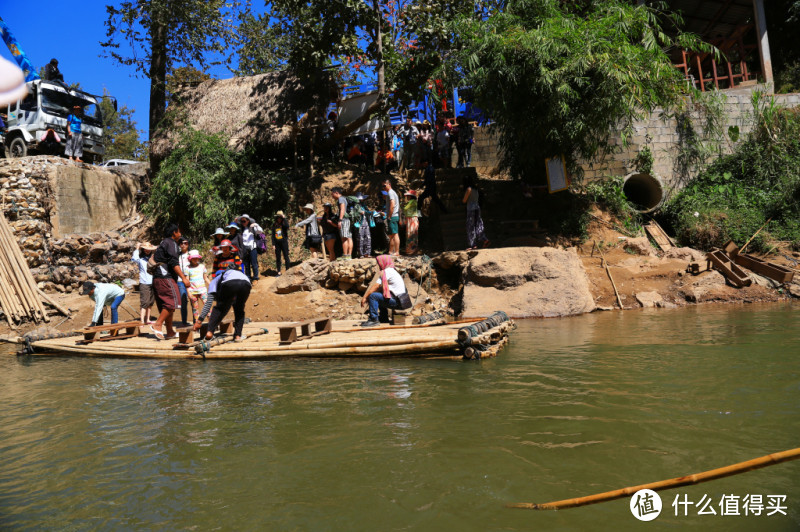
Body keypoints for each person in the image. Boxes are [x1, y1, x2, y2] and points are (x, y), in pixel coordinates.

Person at [150, 223, 191, 340]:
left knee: (166, 304)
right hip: (165, 277)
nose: (180, 233)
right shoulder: (171, 243)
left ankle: (169, 331)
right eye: (178, 231)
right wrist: (183, 278)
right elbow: (174, 263)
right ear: (174, 232)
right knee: (172, 302)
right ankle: (157, 325)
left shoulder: (164, 242)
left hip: (158, 278)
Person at [193, 264, 252, 343]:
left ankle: (209, 332)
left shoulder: (215, 280)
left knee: (218, 309)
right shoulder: (238, 274)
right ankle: (238, 336)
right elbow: (228, 302)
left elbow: (208, 303)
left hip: (230, 284)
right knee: (239, 309)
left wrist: (199, 321)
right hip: (247, 284)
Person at [359, 255, 408, 327]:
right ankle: (383, 317)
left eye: (378, 263)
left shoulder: (387, 272)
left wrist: (365, 297)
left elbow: (376, 286)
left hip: (398, 301)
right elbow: (379, 288)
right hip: (401, 301)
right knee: (380, 294)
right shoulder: (392, 271)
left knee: (373, 296)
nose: (378, 265)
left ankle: (373, 320)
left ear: (383, 263)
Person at [131, 242, 157, 324]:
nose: (147, 251)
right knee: (144, 302)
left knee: (150, 302)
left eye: (149, 249)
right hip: (144, 282)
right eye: (145, 249)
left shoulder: (153, 258)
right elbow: (134, 259)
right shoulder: (140, 259)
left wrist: (154, 247)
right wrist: (137, 249)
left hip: (153, 281)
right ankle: (142, 320)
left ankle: (147, 319)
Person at [463, 176, 490, 250]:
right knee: (478, 225)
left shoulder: (469, 189)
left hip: (471, 209)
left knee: (470, 227)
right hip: (477, 209)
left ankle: (473, 245)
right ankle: (484, 239)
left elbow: (464, 200)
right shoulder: (476, 190)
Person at [185, 249, 209, 322]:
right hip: (193, 291)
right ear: (190, 259)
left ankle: (211, 322)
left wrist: (212, 285)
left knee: (207, 306)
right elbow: (187, 281)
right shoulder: (187, 268)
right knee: (195, 309)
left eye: (196, 258)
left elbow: (206, 278)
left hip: (203, 291)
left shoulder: (202, 267)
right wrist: (188, 292)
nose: (195, 260)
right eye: (193, 258)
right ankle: (197, 324)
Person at [238, 214, 262, 283]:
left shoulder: (253, 228)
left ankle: (255, 278)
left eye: (244, 221)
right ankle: (248, 277)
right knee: (246, 264)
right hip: (245, 248)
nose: (243, 222)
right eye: (242, 221)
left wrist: (256, 225)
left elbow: (260, 231)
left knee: (254, 263)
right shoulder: (242, 230)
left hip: (252, 248)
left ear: (248, 221)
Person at [332, 187, 353, 260]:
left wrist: (340, 220)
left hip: (344, 220)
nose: (332, 196)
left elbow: (342, 209)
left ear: (336, 193)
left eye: (332, 194)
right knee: (349, 238)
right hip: (348, 220)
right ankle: (349, 255)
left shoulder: (341, 199)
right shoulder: (344, 198)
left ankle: (345, 255)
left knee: (344, 238)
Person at [381, 178, 401, 256]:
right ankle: (390, 251)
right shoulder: (391, 193)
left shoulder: (390, 193)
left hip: (392, 216)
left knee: (395, 234)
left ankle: (397, 252)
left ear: (389, 184)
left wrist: (389, 216)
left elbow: (392, 204)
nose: (383, 187)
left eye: (384, 185)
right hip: (392, 216)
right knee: (391, 235)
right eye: (382, 186)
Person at [351, 192, 372, 258]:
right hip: (359, 224)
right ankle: (361, 254)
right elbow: (352, 214)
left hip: (366, 223)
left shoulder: (363, 205)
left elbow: (367, 211)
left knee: (368, 238)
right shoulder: (354, 206)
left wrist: (370, 212)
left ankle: (367, 253)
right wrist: (359, 213)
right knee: (360, 238)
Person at [176, 237, 191, 325]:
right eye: (182, 243)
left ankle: (195, 321)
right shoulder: (177, 255)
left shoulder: (191, 255)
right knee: (183, 301)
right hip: (180, 280)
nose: (183, 245)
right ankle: (184, 322)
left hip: (191, 280)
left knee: (194, 301)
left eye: (185, 243)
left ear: (188, 244)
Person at [271, 211, 291, 275]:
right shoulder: (274, 225)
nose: (279, 219)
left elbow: (287, 226)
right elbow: (273, 235)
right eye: (278, 218)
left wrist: (284, 218)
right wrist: (273, 244)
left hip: (284, 243)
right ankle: (279, 271)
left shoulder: (284, 224)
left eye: (280, 218)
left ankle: (288, 270)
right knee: (278, 258)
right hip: (277, 244)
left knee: (286, 256)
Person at [403, 190, 421, 255]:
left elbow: (405, 208)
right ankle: (413, 250)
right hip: (413, 218)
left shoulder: (411, 201)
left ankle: (410, 251)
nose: (407, 197)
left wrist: (401, 205)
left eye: (408, 196)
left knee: (410, 234)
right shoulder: (415, 202)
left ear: (411, 196)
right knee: (413, 234)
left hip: (411, 219)